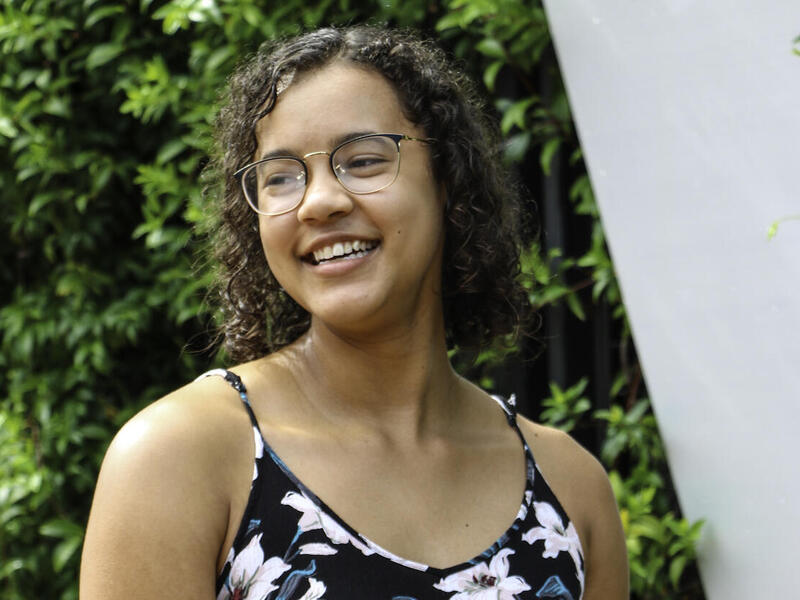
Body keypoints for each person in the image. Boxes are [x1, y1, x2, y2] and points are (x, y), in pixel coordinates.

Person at [80, 25, 627, 600]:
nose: (319, 202)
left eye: (363, 160)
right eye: (282, 177)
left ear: (447, 180)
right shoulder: (180, 458)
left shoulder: (571, 492)